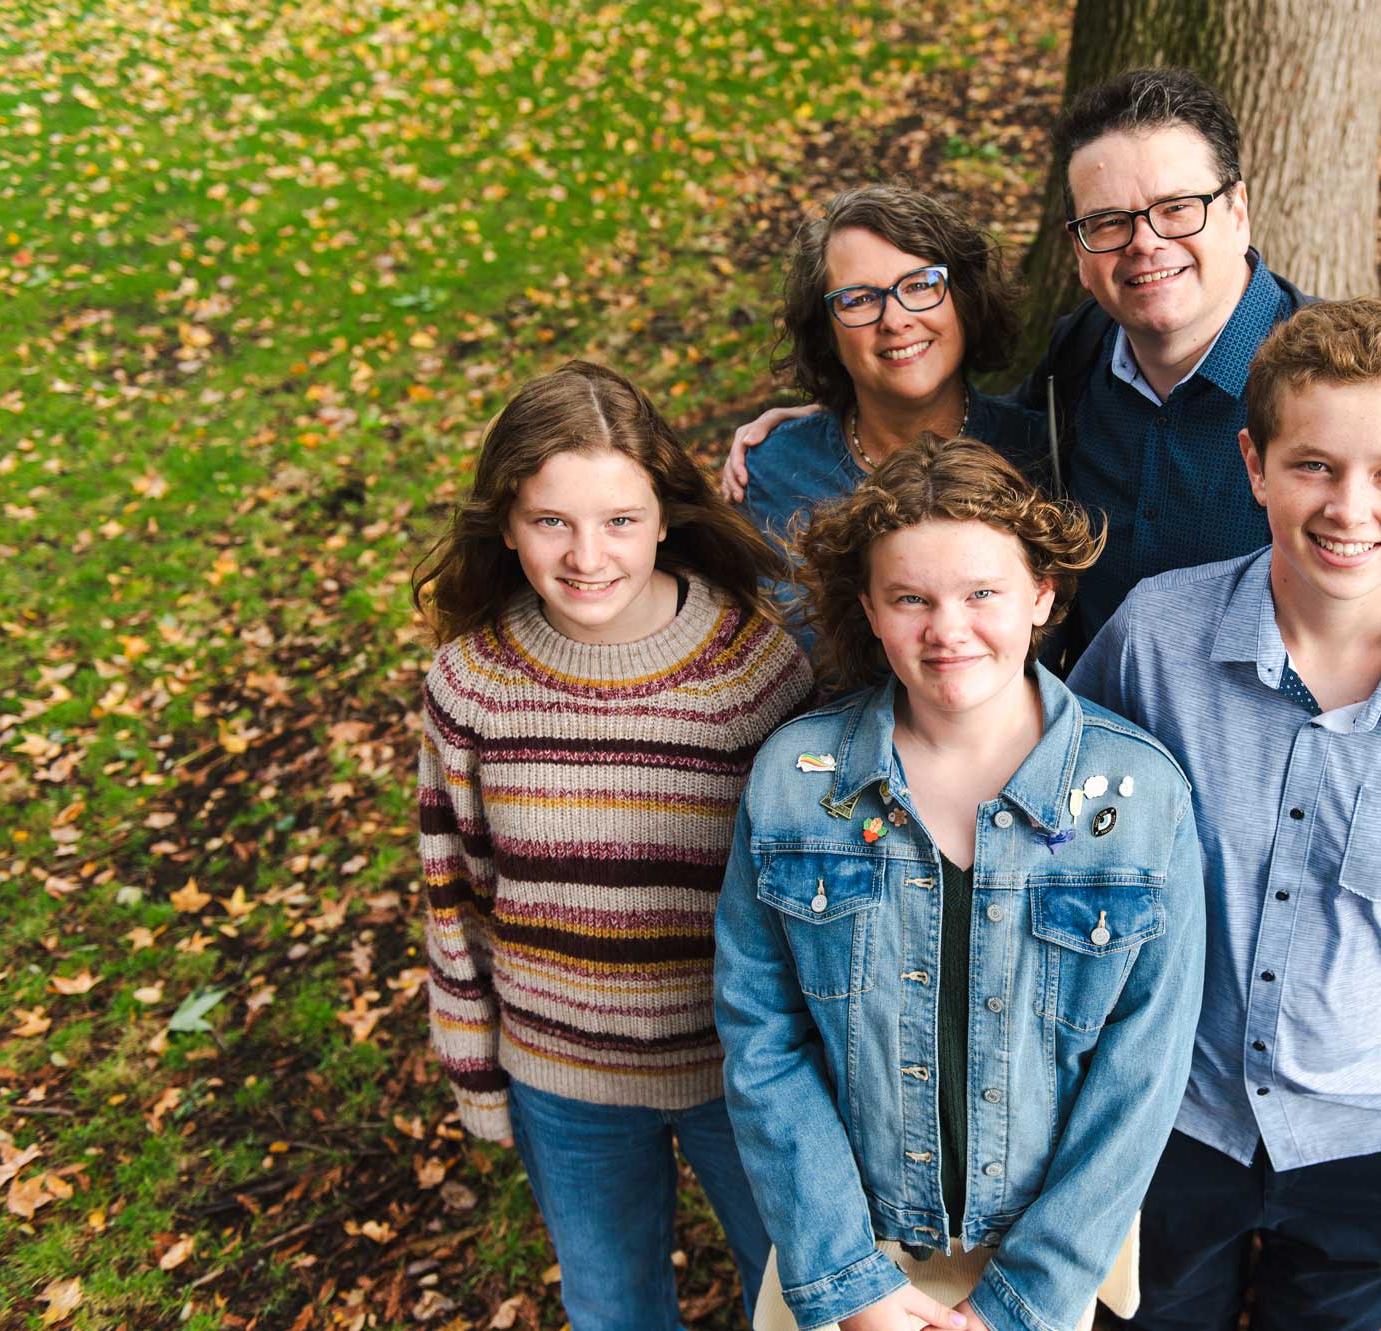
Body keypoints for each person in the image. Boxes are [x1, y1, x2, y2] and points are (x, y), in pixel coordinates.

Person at [720, 68, 1381, 788]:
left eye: (1176, 209)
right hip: (1089, 791)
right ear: (1078, 249)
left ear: (1236, 210)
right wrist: (829, 408)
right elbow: (961, 441)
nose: (1145, 244)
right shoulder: (1077, 366)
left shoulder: (1328, 391)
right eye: (1109, 222)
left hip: (1275, 788)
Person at [1068, 298, 1381, 1331]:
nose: (1349, 506)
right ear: (1252, 465)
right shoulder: (1151, 642)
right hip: (1171, 1121)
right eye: (1313, 464)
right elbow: (1070, 848)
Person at [712, 436, 1205, 1331]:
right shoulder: (797, 780)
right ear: (868, 607)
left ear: (1042, 596)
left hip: (1047, 1263)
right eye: (911, 597)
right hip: (847, 1250)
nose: (948, 628)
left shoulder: (1141, 799)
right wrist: (851, 1283)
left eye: (983, 593)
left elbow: (1146, 1070)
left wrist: (1020, 1302)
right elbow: (761, 1036)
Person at [412, 361, 812, 1331]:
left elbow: (811, 889)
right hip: (563, 1076)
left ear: (666, 516)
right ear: (506, 524)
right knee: (612, 1305)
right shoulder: (470, 685)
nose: (587, 553)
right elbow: (452, 889)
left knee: (799, 1296)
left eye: (619, 520)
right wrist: (475, 1070)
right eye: (552, 520)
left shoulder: (753, 669)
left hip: (742, 1069)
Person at [739, 185, 1045, 647]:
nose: (895, 319)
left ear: (964, 297)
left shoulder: (1040, 452)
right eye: (858, 299)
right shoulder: (772, 474)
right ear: (827, 333)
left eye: (920, 285)